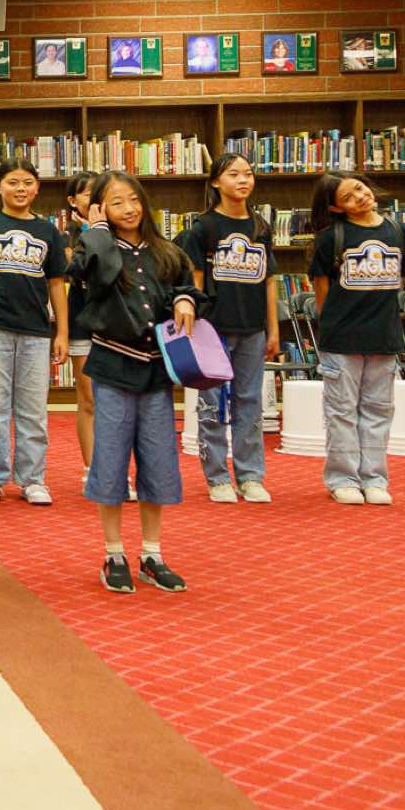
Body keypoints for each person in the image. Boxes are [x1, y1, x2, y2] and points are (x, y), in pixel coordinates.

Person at [69, 170, 204, 594]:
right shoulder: (93, 248)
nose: (128, 209)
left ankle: (152, 553)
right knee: (110, 462)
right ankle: (113, 553)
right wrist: (96, 230)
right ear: (99, 209)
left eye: (133, 200)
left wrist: (185, 298)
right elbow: (101, 274)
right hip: (113, 367)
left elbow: (186, 286)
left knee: (158, 461)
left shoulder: (167, 251)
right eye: (116, 203)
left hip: (156, 372)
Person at [0, 157, 68, 506]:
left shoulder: (49, 232)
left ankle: (32, 478)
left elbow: (56, 284)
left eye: (27, 182)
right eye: (12, 182)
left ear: (37, 188)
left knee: (33, 409)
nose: (20, 189)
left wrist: (62, 332)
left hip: (36, 330)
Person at [178, 151, 279, 503]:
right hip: (213, 329)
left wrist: (273, 329)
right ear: (216, 182)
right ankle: (217, 476)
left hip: (253, 327)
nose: (243, 180)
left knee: (250, 401)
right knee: (212, 402)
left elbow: (269, 280)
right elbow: (194, 283)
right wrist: (196, 328)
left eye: (248, 173)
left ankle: (250, 476)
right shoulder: (203, 228)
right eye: (234, 174)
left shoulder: (260, 226)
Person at [309, 171, 405, 507]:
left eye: (359, 188)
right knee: (341, 411)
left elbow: (401, 279)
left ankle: (374, 478)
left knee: (379, 410)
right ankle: (343, 478)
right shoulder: (331, 238)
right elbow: (321, 288)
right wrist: (329, 329)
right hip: (342, 337)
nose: (360, 197)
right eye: (348, 198)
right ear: (337, 208)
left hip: (384, 335)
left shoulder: (397, 230)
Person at [60, 172, 105, 494]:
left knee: (114, 401)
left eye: (99, 192)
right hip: (82, 322)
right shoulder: (65, 235)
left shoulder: (120, 229)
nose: (94, 199)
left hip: (117, 325)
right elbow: (74, 268)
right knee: (88, 398)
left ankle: (115, 468)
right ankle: (93, 469)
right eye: (87, 193)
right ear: (72, 200)